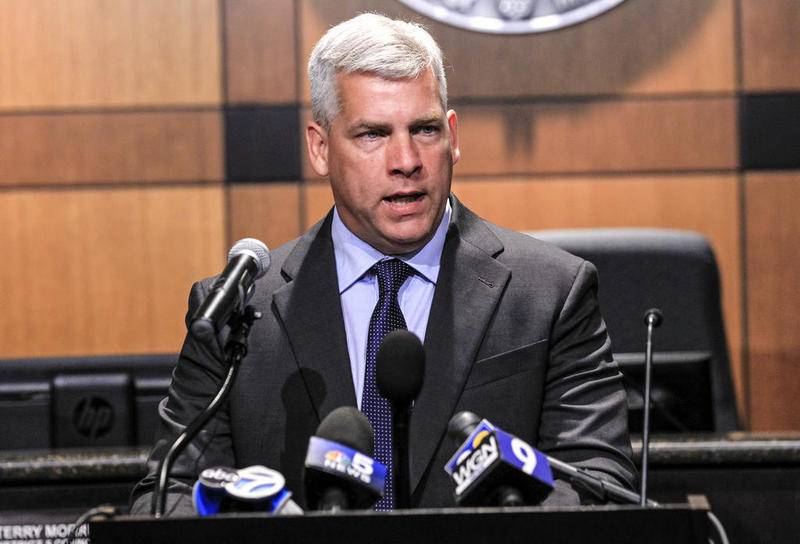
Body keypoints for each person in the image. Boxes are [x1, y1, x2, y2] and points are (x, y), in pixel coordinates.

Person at [131, 13, 635, 515]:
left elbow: (598, 484)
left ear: (453, 136)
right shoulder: (236, 311)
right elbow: (167, 498)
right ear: (321, 147)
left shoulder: (551, 293)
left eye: (425, 129)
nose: (406, 159)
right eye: (372, 134)